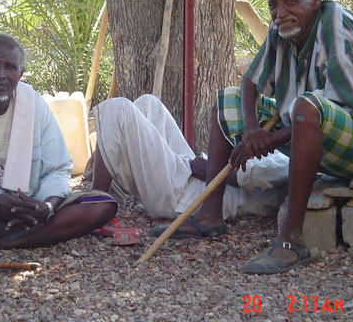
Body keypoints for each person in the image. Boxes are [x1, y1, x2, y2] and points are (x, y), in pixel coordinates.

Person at [172, 0, 353, 274]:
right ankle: (210, 217)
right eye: (273, 5)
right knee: (226, 100)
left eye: (289, 2)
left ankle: (291, 242)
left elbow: (351, 110)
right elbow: (250, 83)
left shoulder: (335, 27)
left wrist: (270, 139)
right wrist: (251, 130)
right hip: (317, 135)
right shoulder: (282, 30)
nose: (280, 12)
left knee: (306, 105)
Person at [0, 33, 117, 260]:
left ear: (20, 74)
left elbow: (57, 168)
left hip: (28, 209)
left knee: (101, 204)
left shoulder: (34, 105)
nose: (1, 75)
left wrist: (47, 207)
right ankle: (28, 237)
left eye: (10, 67)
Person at [90, 94, 289, 232]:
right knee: (148, 103)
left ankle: (93, 205)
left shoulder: (287, 162)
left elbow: (252, 176)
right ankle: (112, 184)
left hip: (187, 199)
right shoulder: (282, 148)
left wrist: (210, 168)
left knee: (118, 108)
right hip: (193, 178)